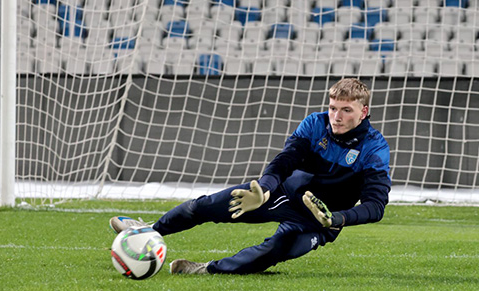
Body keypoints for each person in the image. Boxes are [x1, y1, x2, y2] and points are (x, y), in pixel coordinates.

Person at [110, 78, 391, 275]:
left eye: (346, 110)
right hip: (282, 194)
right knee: (206, 205)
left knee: (275, 250)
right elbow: (285, 160)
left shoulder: (374, 149)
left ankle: (205, 269)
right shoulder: (315, 124)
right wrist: (265, 189)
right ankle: (148, 231)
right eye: (332, 108)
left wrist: (336, 219)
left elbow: (376, 206)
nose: (336, 116)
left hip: (319, 222)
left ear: (363, 112)